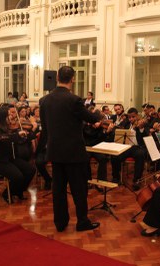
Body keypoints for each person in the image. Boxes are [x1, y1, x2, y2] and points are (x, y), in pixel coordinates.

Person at [39, 66, 101, 232]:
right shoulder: (74, 100)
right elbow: (90, 117)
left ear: (57, 77)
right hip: (74, 153)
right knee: (78, 189)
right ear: (72, 79)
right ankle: (82, 222)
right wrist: (98, 115)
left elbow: (45, 129)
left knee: (58, 190)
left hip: (55, 152)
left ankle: (60, 223)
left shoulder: (44, 100)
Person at [0, 106, 35, 203]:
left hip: (10, 158)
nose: (11, 116)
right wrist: (17, 135)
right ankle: (7, 193)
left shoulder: (8, 127)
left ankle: (18, 191)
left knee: (31, 170)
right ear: (2, 116)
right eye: (9, 114)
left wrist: (29, 135)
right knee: (18, 176)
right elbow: (1, 138)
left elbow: (17, 140)